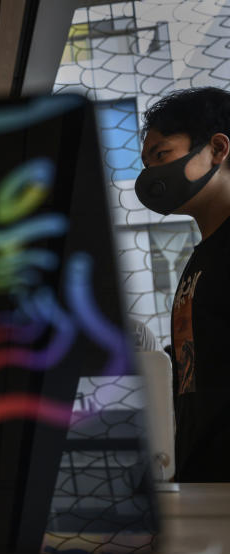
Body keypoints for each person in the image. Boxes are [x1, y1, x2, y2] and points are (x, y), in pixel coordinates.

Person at [136, 87, 230, 482]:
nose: (152, 175)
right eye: (146, 163)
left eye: (162, 155)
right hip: (201, 478)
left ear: (218, 148)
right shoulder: (201, 257)